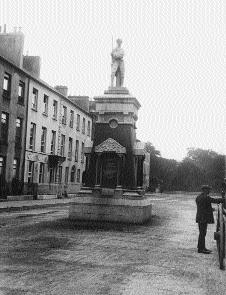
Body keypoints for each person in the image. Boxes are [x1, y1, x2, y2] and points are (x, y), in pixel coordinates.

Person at [196, 185, 224, 254]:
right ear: (205, 190)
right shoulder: (206, 197)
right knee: (203, 233)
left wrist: (210, 209)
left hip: (200, 217)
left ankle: (201, 247)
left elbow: (202, 207)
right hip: (203, 218)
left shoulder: (199, 197)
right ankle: (201, 249)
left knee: (202, 233)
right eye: (208, 190)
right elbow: (215, 200)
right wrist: (224, 200)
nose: (209, 191)